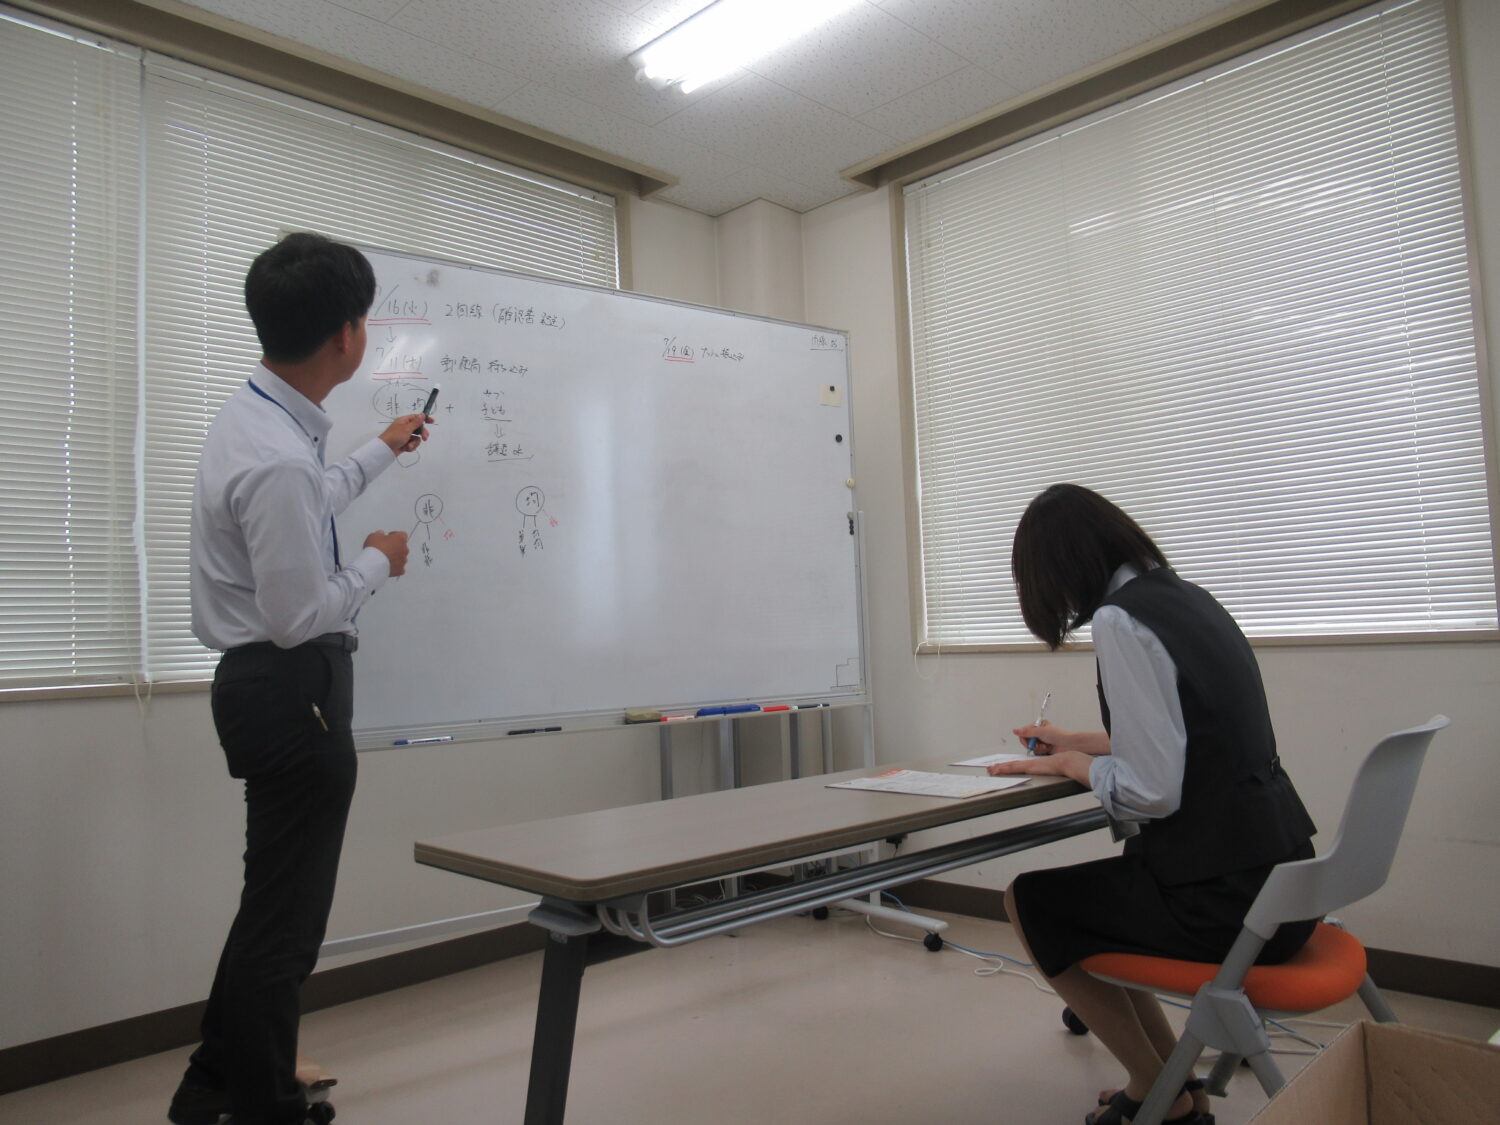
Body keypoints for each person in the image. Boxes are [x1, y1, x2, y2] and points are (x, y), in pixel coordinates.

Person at [169, 233, 433, 1125]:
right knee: (286, 928)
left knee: (269, 911)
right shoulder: (279, 454)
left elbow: (306, 498)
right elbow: (296, 613)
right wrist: (378, 560)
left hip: (272, 692)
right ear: (347, 336)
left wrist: (382, 449)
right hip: (293, 692)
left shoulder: (260, 417)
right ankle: (265, 1107)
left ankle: (212, 1086)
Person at [986, 484, 1317, 1125]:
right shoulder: (1190, 599)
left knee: (1031, 903)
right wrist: (1074, 741)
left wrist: (1070, 765)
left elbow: (1152, 790)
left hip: (1230, 906)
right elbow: (1186, 735)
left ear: (1060, 569)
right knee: (1111, 889)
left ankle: (1153, 1092)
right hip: (1284, 885)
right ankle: (1175, 1088)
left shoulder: (1120, 621)